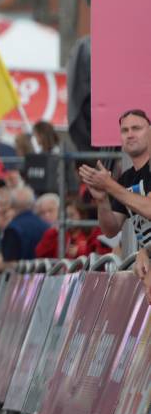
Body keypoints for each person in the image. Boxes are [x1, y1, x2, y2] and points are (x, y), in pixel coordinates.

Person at [79, 108, 151, 303]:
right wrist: (101, 199)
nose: (130, 134)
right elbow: (111, 229)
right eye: (125, 130)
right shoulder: (127, 177)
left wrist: (109, 185)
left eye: (136, 128)